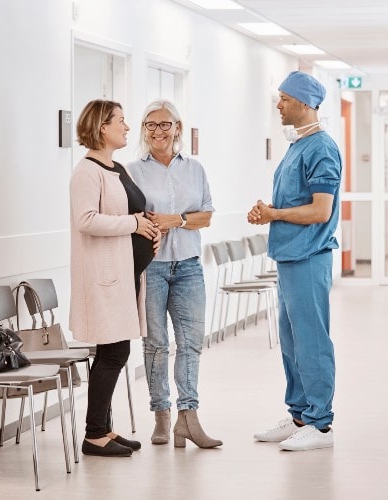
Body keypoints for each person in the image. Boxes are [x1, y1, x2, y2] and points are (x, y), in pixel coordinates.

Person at [247, 71, 341, 451]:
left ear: (304, 102)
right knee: (291, 341)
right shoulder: (297, 147)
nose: (278, 104)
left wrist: (274, 216)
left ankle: (320, 426)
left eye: (284, 98)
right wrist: (268, 211)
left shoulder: (322, 148)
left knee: (312, 341)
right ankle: (300, 413)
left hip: (309, 256)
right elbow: (293, 204)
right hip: (288, 257)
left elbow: (320, 210)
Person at [127, 99, 221, 449]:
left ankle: (189, 416)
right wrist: (149, 223)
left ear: (177, 128)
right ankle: (161, 415)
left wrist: (176, 220)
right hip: (151, 267)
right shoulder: (132, 171)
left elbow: (206, 216)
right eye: (150, 125)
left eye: (165, 124)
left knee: (191, 343)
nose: (158, 131)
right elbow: (129, 217)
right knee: (155, 344)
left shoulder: (194, 169)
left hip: (189, 267)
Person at [69, 99, 161, 457]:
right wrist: (135, 225)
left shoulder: (117, 168)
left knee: (115, 350)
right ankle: (94, 434)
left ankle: (104, 430)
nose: (127, 127)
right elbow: (86, 220)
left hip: (125, 276)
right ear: (101, 127)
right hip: (104, 278)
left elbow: (133, 211)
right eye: (120, 121)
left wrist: (148, 225)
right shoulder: (86, 172)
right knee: (113, 352)